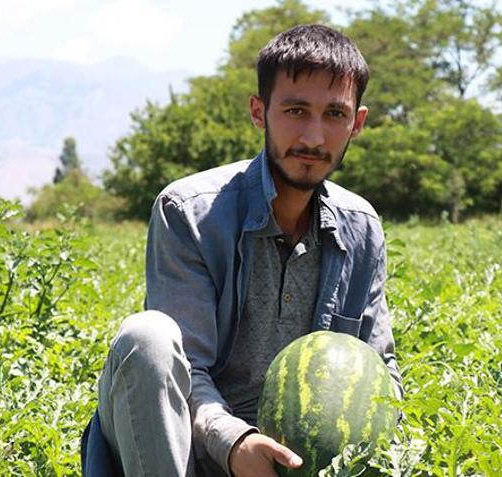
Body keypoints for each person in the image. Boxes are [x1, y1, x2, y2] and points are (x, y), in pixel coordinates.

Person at [95, 24, 403, 477]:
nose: (314, 138)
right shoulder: (190, 212)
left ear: (356, 123)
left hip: (292, 462)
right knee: (148, 338)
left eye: (334, 114)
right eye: (296, 110)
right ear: (260, 112)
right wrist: (236, 443)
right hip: (186, 447)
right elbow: (187, 369)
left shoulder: (361, 227)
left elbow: (379, 368)